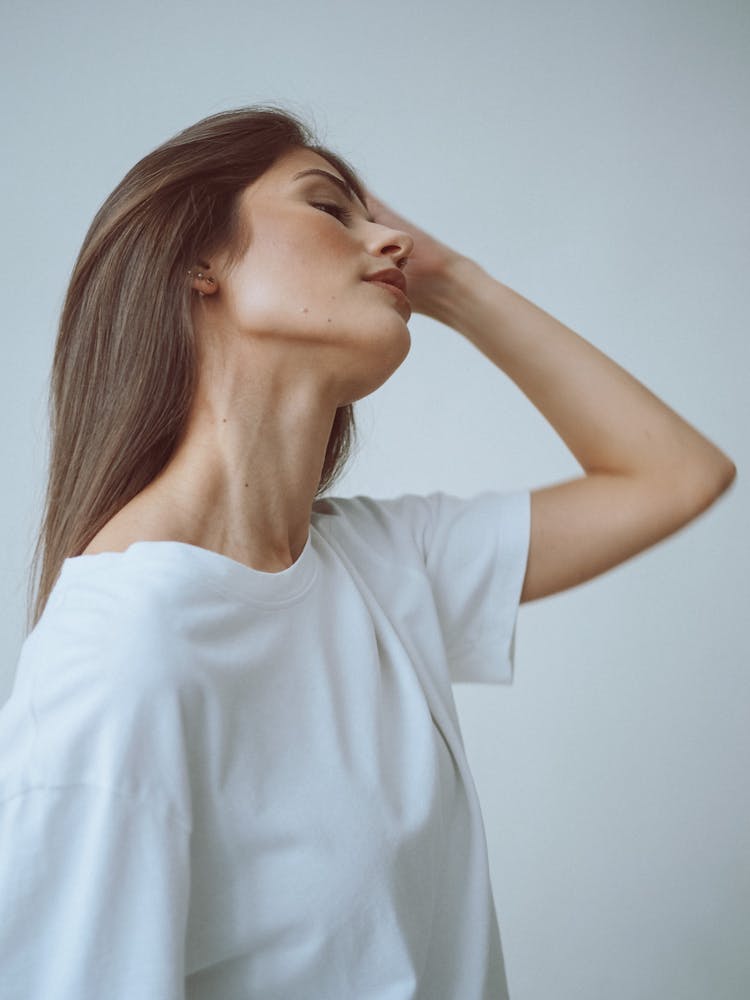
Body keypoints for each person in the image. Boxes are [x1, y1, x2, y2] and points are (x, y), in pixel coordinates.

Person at [0, 104, 735, 1000]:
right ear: (198, 260)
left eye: (377, 219)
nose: (388, 239)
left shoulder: (382, 564)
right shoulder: (116, 658)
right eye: (329, 208)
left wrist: (455, 282)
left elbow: (676, 474)